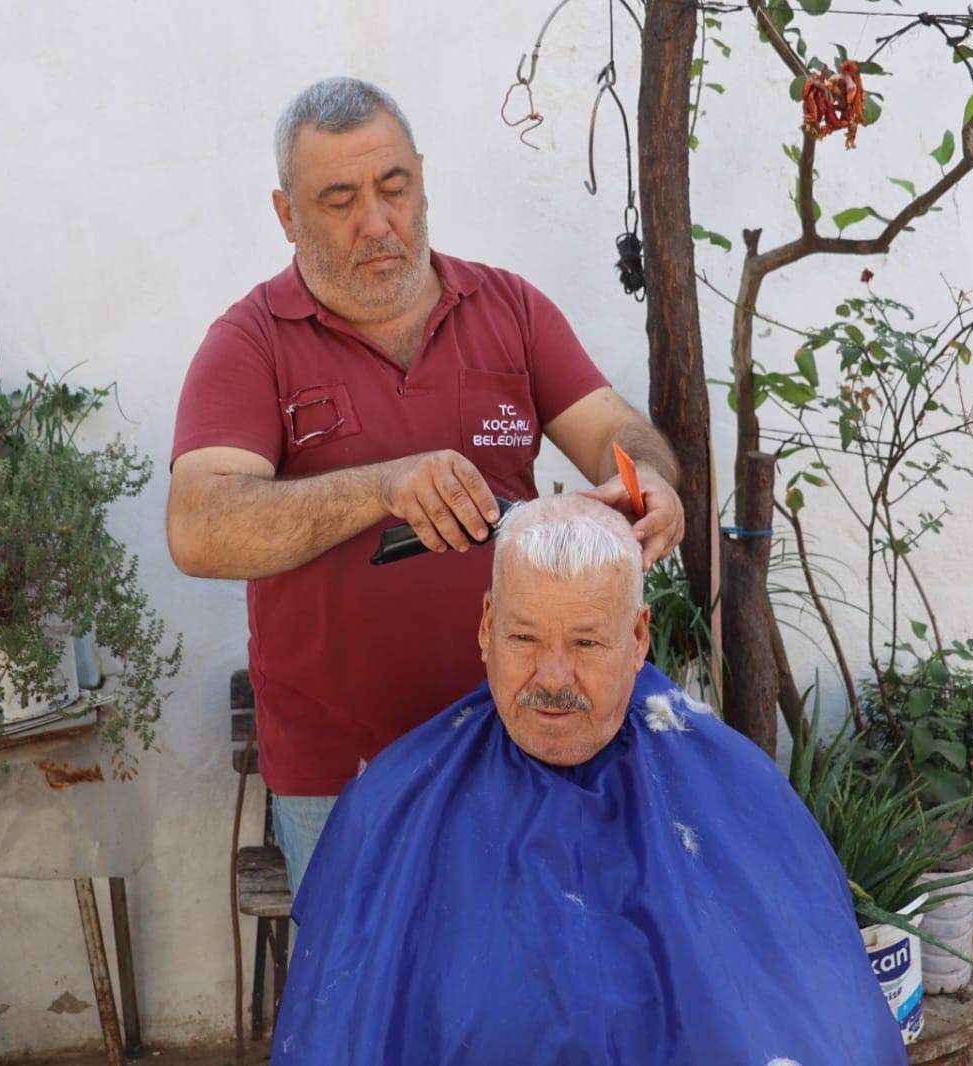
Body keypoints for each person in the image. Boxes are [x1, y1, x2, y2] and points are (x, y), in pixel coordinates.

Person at [166, 76, 684, 892]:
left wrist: (647, 478)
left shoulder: (507, 308)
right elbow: (199, 527)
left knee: (524, 980)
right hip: (344, 771)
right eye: (338, 199)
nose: (376, 222)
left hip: (519, 736)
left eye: (393, 187)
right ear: (286, 214)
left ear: (421, 180)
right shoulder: (251, 342)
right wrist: (379, 487)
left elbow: (612, 428)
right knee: (365, 996)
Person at [271, 495, 908, 1065]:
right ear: (487, 627)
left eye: (585, 643)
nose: (552, 676)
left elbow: (824, 1027)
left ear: (637, 637)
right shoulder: (396, 803)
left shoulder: (738, 793)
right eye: (524, 636)